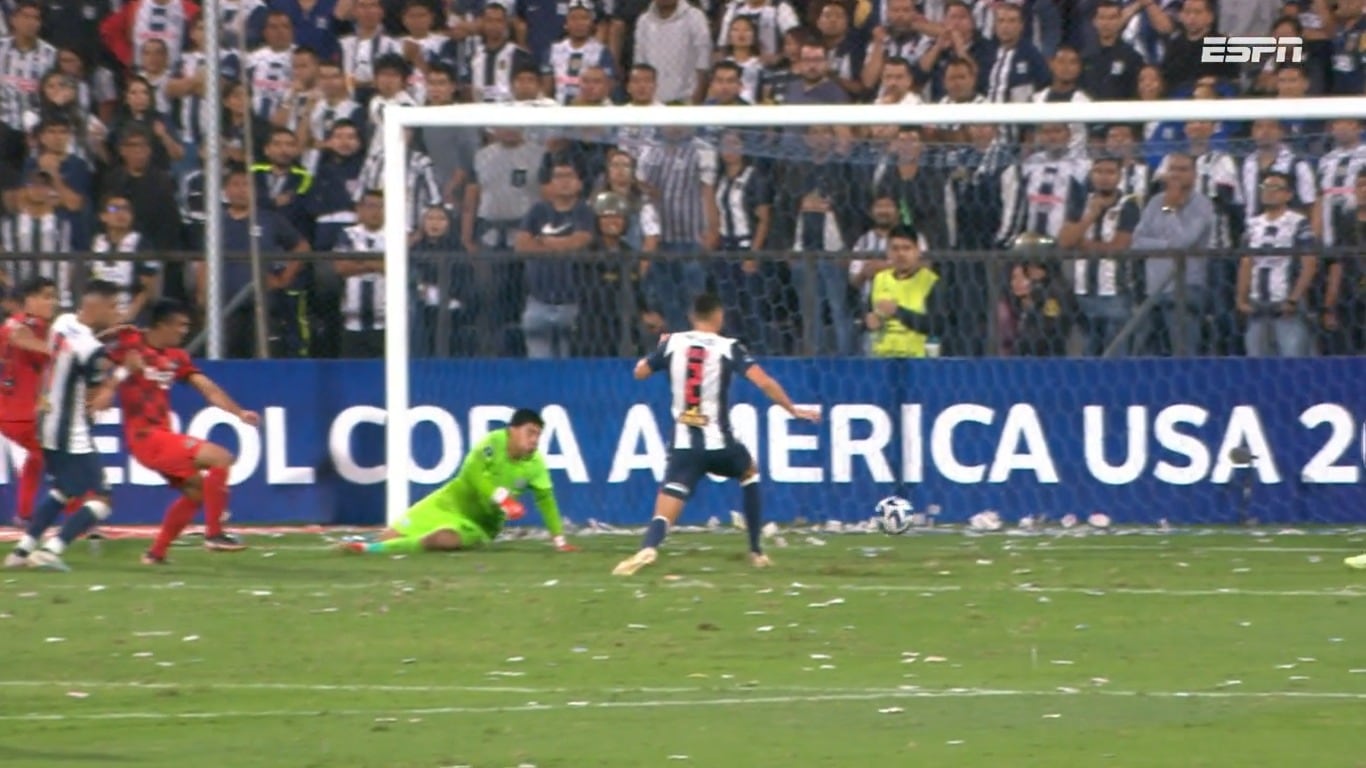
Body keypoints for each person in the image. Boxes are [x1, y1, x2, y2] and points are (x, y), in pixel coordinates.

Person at [613, 293, 820, 576]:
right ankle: (756, 551)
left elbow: (639, 372)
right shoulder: (728, 347)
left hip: (685, 446)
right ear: (719, 316)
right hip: (720, 444)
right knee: (749, 472)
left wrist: (657, 351)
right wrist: (792, 409)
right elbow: (764, 382)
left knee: (668, 503)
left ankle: (648, 547)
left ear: (691, 316)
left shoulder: (672, 342)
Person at [106, 299, 261, 564]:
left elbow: (207, 388)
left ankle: (156, 554)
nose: (184, 331)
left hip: (161, 436)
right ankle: (214, 535)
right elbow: (91, 354)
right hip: (144, 436)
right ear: (161, 325)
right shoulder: (131, 343)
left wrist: (239, 413)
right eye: (180, 325)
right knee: (221, 457)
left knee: (197, 492)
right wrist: (109, 339)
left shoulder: (176, 358)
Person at [340, 409, 578, 555]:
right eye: (530, 432)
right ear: (512, 431)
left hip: (481, 524)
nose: (535, 440)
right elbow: (471, 475)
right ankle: (369, 546)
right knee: (391, 533)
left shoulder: (536, 464)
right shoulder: (492, 443)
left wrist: (559, 540)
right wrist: (503, 499)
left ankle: (372, 550)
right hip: (449, 502)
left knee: (443, 539)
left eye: (538, 435)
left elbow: (546, 500)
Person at [5, 280, 123, 571]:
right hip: (72, 431)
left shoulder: (63, 322)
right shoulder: (92, 351)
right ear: (97, 307)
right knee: (103, 497)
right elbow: (95, 397)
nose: (118, 312)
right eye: (113, 306)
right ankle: (51, 550)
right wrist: (117, 378)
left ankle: (21, 551)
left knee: (64, 489)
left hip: (45, 423)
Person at [0, 276, 58, 525]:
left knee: (38, 457)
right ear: (29, 300)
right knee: (62, 458)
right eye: (46, 297)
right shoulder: (26, 324)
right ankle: (82, 518)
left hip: (17, 414)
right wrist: (55, 351)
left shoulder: (29, 325)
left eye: (53, 297)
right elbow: (18, 335)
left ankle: (24, 514)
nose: (52, 302)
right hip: (21, 415)